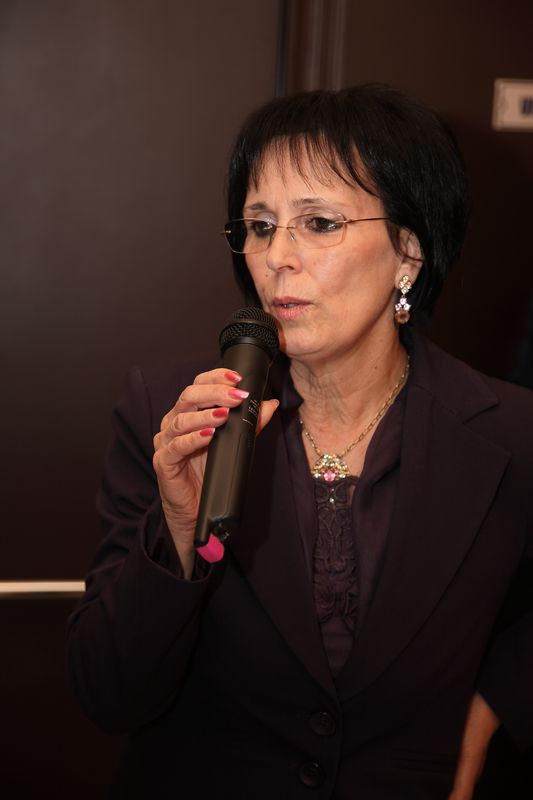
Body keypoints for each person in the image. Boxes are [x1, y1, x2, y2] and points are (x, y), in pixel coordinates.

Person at [66, 85, 533, 799]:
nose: (277, 256)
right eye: (259, 225)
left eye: (318, 223)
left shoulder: (510, 432)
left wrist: (488, 712)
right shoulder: (169, 413)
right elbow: (109, 694)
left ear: (408, 252)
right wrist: (180, 530)